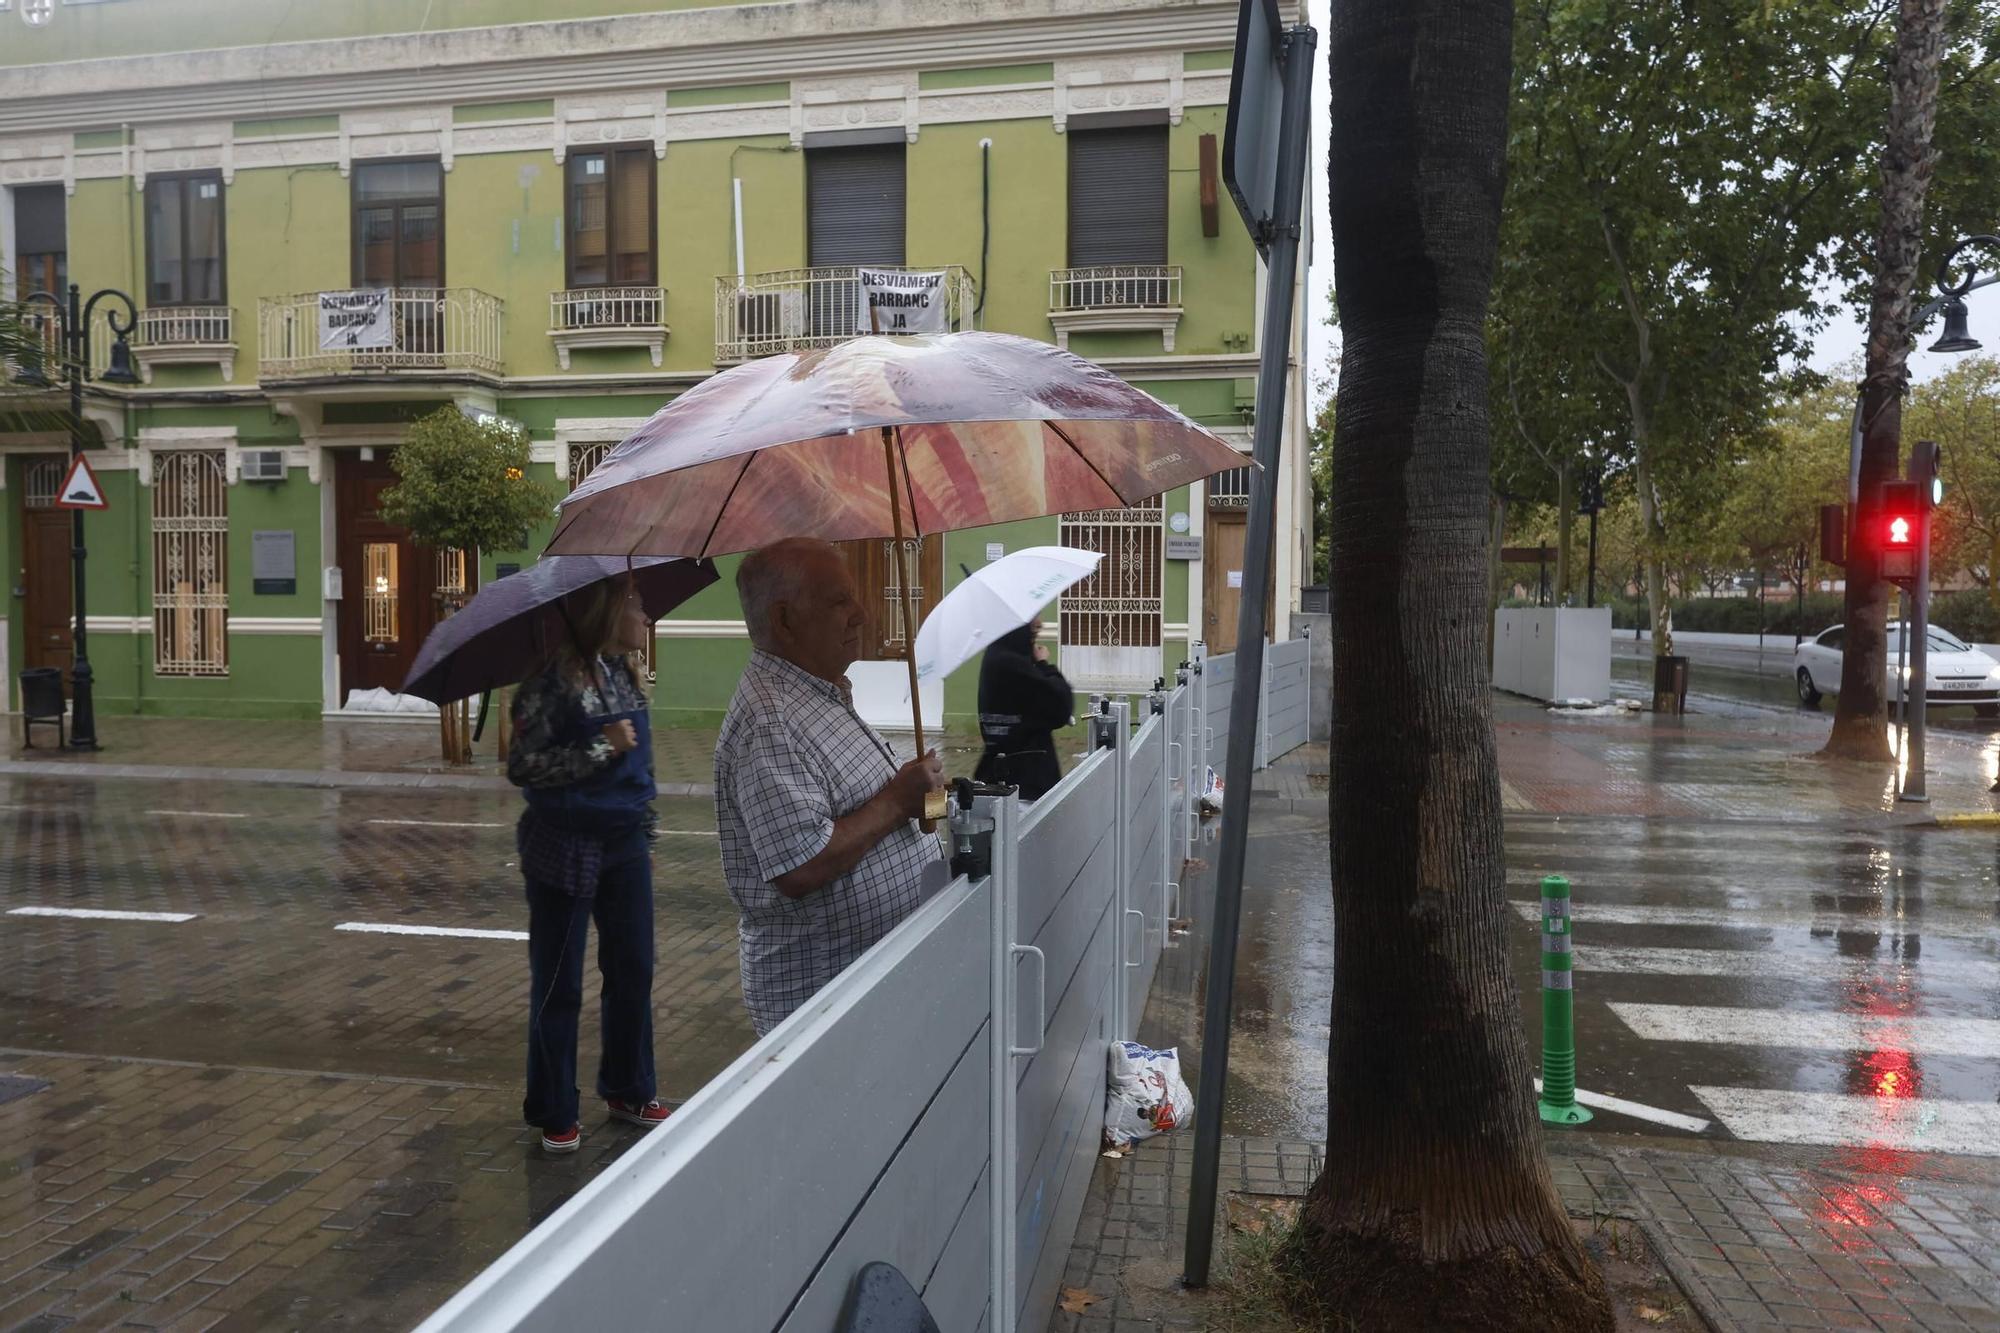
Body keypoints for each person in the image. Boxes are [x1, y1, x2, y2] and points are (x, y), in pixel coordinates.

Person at [714, 538, 945, 1036]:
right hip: (823, 1000)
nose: (860, 615)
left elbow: (874, 802)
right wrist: (897, 801)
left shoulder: (822, 692)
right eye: (838, 601)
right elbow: (799, 865)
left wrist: (926, 803)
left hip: (869, 984)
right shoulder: (769, 721)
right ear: (784, 620)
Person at [507, 576, 670, 1154]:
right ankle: (554, 1106)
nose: (646, 615)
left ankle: (629, 1087)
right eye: (637, 603)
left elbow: (644, 774)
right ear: (606, 612)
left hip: (624, 846)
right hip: (564, 847)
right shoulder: (548, 687)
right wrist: (602, 746)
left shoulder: (624, 676)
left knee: (633, 970)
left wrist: (645, 839)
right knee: (560, 983)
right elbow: (524, 767)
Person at [973, 618, 1074, 800]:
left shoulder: (996, 655)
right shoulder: (1012, 663)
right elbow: (1062, 704)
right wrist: (1044, 665)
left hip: (1006, 779)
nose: (1040, 624)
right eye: (1033, 617)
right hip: (1024, 787)